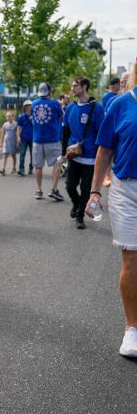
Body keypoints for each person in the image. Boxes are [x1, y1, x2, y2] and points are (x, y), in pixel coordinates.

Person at [85, 61, 137, 358]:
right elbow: (105, 149)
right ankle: (132, 328)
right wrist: (94, 191)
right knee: (132, 259)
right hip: (126, 189)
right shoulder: (120, 105)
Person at [62, 77, 104, 229]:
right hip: (74, 155)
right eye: (72, 85)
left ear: (84, 87)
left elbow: (101, 134)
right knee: (70, 186)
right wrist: (63, 154)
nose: (72, 88)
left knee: (86, 189)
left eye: (75, 85)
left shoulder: (96, 108)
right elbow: (65, 131)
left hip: (90, 158)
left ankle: (80, 216)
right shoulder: (70, 108)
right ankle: (77, 204)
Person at [31, 82, 65, 201]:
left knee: (38, 166)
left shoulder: (33, 103)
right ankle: (54, 189)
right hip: (52, 140)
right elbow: (62, 117)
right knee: (57, 163)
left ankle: (39, 190)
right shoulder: (55, 103)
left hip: (37, 140)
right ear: (50, 91)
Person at [103, 72, 129, 187]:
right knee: (110, 153)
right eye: (121, 82)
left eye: (125, 82)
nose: (122, 84)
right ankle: (107, 176)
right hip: (115, 134)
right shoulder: (113, 99)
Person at [17, 100, 33, 176]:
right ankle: (21, 169)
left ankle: (31, 167)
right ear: (25, 107)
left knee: (33, 154)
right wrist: (18, 137)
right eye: (27, 105)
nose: (29, 107)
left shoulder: (35, 116)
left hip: (33, 138)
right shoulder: (21, 117)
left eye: (30, 105)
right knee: (22, 153)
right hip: (24, 137)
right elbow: (19, 127)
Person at [0, 111, 18, 175]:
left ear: (13, 117)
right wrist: (1, 142)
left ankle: (14, 167)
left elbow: (17, 133)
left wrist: (18, 141)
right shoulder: (5, 124)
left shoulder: (16, 124)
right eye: (7, 116)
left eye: (10, 116)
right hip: (6, 141)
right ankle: (3, 168)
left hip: (13, 140)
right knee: (5, 154)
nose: (8, 117)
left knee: (13, 155)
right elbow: (3, 133)